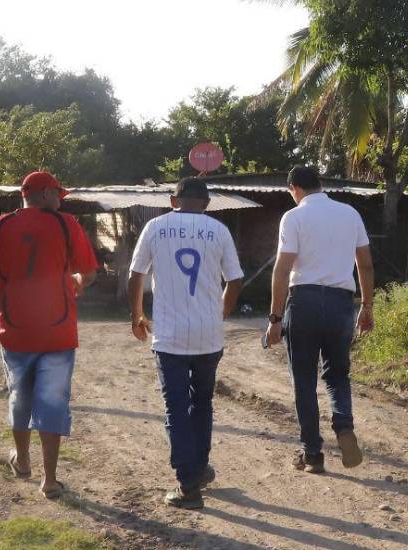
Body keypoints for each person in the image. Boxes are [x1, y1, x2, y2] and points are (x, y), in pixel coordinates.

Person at [0, 170, 99, 498]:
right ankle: (50, 480)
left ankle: (23, 461)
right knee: (52, 401)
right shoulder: (66, 224)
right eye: (58, 193)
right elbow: (87, 272)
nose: (60, 200)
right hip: (58, 332)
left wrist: (5, 308)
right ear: (44, 193)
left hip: (16, 331)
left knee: (20, 395)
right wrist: (76, 282)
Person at [128, 178, 243, 509]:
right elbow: (235, 280)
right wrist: (220, 312)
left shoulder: (155, 227)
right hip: (208, 337)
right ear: (206, 204)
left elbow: (136, 275)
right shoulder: (218, 231)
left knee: (176, 407)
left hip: (170, 337)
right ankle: (199, 469)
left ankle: (188, 485)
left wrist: (136, 315)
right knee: (203, 403)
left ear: (172, 200)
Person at [265, 165, 374, 474]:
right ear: (321, 184)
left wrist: (275, 317)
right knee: (338, 375)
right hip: (341, 304)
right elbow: (364, 265)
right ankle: (343, 426)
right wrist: (366, 306)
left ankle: (312, 454)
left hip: (304, 303)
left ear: (293, 189)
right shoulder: (350, 214)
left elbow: (283, 269)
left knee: (303, 380)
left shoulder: (294, 216)